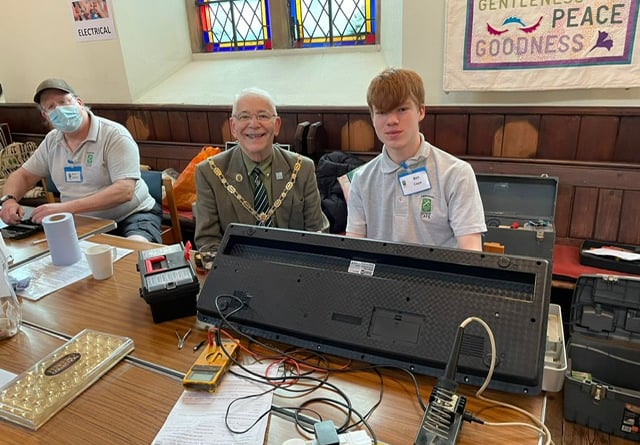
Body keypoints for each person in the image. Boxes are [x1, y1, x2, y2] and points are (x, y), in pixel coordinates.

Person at [0, 78, 162, 243]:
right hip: (81, 222)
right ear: (45, 115)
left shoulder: (114, 135)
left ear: (79, 102)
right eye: (51, 107)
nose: (59, 109)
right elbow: (23, 176)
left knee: (136, 251)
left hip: (131, 217)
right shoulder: (51, 141)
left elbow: (125, 190)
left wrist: (65, 209)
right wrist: (9, 200)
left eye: (64, 102)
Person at [346, 68, 486, 251]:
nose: (392, 121)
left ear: (421, 111)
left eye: (402, 109)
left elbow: (471, 253)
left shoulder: (456, 174)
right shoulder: (361, 179)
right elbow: (353, 250)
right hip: (381, 277)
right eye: (381, 112)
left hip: (438, 278)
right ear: (372, 118)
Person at [194, 87, 329, 252]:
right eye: (244, 116)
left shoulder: (303, 169)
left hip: (292, 268)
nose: (254, 124)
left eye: (263, 116)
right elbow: (208, 242)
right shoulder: (209, 173)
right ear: (233, 127)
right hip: (236, 270)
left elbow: (316, 233)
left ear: (277, 125)